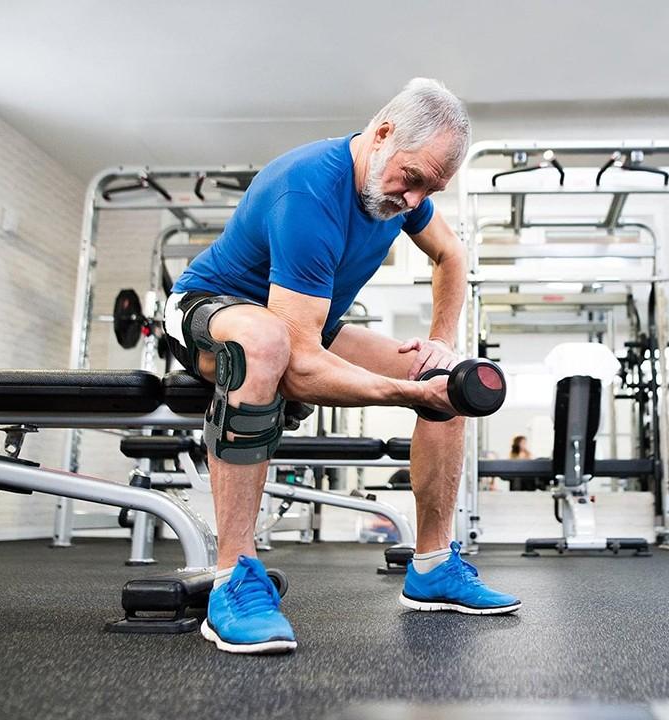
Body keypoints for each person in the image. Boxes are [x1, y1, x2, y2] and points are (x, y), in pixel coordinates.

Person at [164, 78, 521, 655]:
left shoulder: (402, 189)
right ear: (382, 134)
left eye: (429, 189)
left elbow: (451, 253)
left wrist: (441, 344)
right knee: (264, 343)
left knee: (444, 380)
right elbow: (300, 367)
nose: (414, 201)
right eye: (412, 179)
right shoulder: (308, 189)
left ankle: (432, 566)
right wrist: (406, 397)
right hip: (210, 308)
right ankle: (233, 579)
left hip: (299, 323)